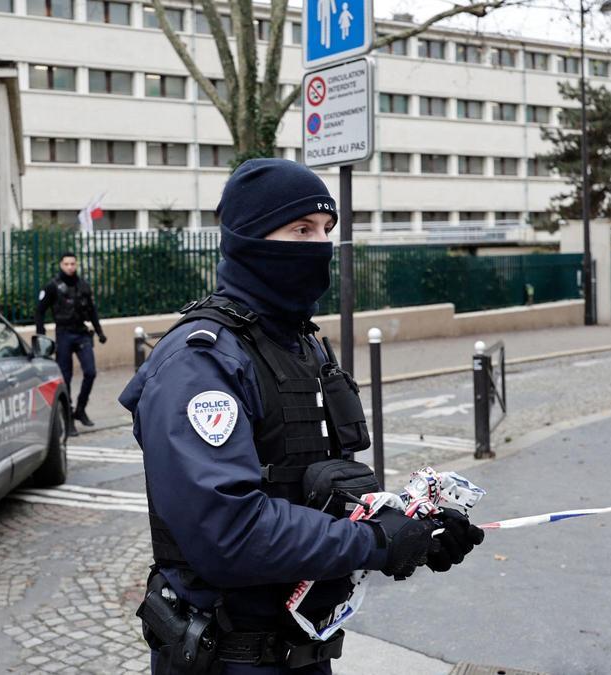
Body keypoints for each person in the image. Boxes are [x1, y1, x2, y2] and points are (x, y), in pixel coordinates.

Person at [120, 159, 484, 674]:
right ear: (249, 239)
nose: (320, 245)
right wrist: (376, 543)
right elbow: (230, 532)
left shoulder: (303, 345)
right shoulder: (201, 362)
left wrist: (414, 527)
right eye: (301, 229)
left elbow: (315, 487)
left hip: (305, 649)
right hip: (227, 657)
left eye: (326, 230)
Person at [35, 252, 106, 433]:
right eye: (66, 264)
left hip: (81, 333)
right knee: (65, 378)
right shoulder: (52, 286)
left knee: (90, 372)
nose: (70, 267)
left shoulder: (83, 285)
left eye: (72, 264)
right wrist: (41, 333)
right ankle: (67, 418)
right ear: (61, 265)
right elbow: (39, 311)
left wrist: (99, 332)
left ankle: (80, 409)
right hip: (64, 334)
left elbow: (92, 311)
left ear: (76, 264)